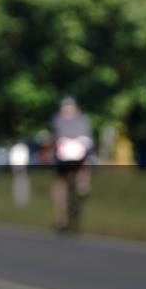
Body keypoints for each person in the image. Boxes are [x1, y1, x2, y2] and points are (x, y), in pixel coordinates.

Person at [50, 96, 93, 231]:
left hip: (74, 154)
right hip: (66, 155)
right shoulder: (77, 119)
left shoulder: (60, 119)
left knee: (62, 181)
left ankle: (82, 185)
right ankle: (61, 216)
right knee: (62, 181)